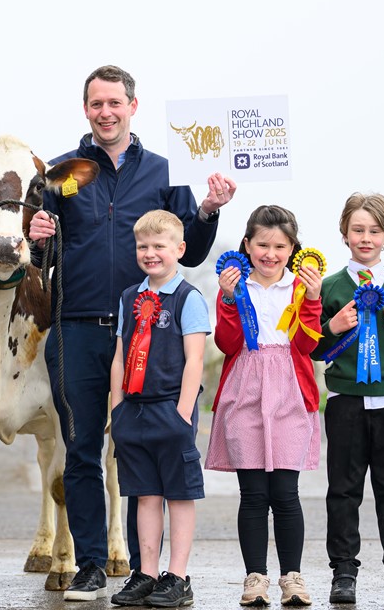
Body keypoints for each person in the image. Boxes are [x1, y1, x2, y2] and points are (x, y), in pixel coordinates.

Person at [27, 64, 236, 601]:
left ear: (133, 107)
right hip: (76, 330)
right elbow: (41, 261)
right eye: (96, 104)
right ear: (85, 109)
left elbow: (192, 249)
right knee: (81, 449)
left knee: (143, 447)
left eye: (114, 103)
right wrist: (37, 237)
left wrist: (208, 210)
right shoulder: (59, 173)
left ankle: (150, 570)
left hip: (152, 335)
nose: (106, 112)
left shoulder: (167, 171)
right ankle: (91, 565)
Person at [205, 205, 322, 607]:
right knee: (253, 494)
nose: (270, 254)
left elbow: (307, 344)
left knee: (286, 494)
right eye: (262, 245)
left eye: (280, 246)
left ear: (292, 249)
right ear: (247, 245)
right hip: (245, 391)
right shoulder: (236, 286)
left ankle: (292, 577)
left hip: (290, 391)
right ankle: (255, 578)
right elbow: (227, 343)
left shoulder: (301, 287)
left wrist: (313, 300)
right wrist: (227, 299)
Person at [316, 193, 384, 605]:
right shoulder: (331, 287)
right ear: (344, 233)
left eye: (374, 231)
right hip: (345, 400)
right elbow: (313, 348)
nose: (366, 238)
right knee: (343, 489)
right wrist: (331, 327)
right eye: (358, 230)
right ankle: (343, 572)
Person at [107, 211, 210, 608]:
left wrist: (183, 413)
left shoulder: (188, 298)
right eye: (143, 246)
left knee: (179, 495)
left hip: (171, 411)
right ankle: (147, 573)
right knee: (145, 495)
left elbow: (195, 359)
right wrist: (117, 408)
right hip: (133, 412)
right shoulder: (128, 298)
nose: (150, 253)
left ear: (179, 249)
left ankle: (177, 576)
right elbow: (120, 357)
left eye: (159, 246)